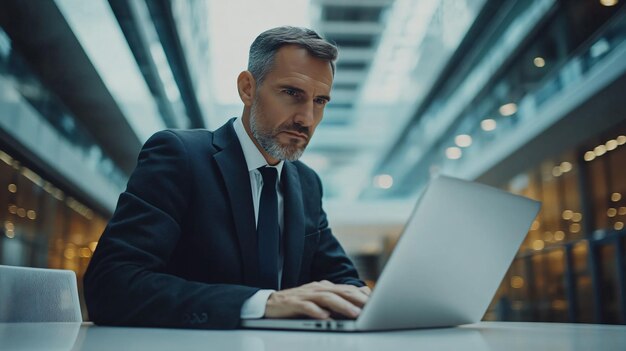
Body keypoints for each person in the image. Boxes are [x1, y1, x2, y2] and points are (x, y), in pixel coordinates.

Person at [84, 26, 370, 329]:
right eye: (291, 93)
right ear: (248, 88)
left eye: (320, 101)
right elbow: (111, 285)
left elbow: (344, 282)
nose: (306, 119)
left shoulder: (307, 183)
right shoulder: (179, 156)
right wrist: (264, 304)